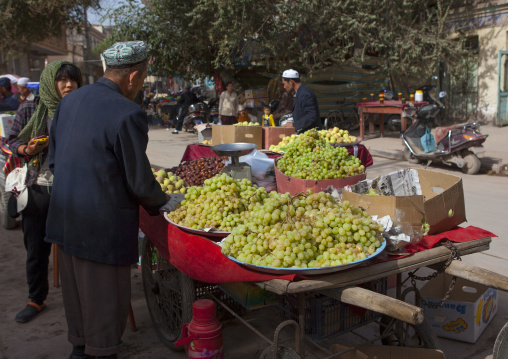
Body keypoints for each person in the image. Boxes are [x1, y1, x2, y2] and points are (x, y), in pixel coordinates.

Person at [45, 41, 167, 359]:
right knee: (104, 301)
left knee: (76, 296)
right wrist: (164, 201)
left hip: (65, 218)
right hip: (101, 227)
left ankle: (79, 349)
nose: (139, 85)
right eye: (141, 79)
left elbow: (55, 162)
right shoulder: (128, 113)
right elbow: (140, 183)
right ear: (133, 76)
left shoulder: (68, 103)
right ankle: (100, 352)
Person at [8, 61, 82, 324]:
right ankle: (35, 299)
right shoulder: (31, 107)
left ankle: (81, 296)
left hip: (72, 189)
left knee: (74, 248)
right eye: (62, 80)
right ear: (51, 82)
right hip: (37, 187)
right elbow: (11, 141)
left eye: (73, 80)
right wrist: (26, 150)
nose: (68, 85)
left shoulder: (81, 109)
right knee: (35, 248)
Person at [281, 69, 323, 133]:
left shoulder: (305, 93)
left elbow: (311, 116)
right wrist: (294, 122)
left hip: (311, 135)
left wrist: (294, 125)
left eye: (284, 84)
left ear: (291, 81)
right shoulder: (299, 93)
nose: (284, 87)